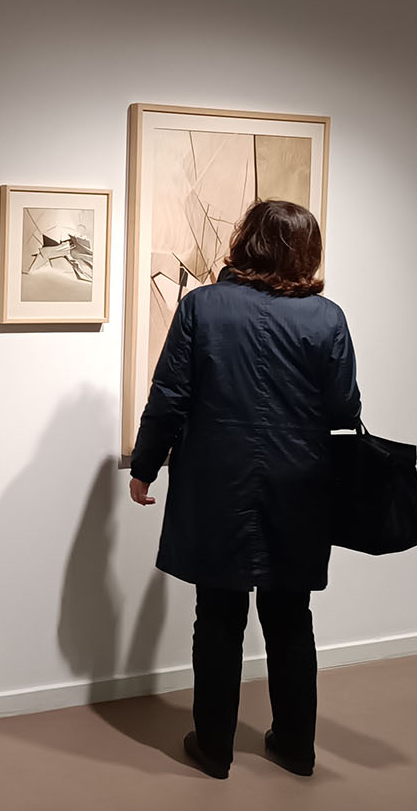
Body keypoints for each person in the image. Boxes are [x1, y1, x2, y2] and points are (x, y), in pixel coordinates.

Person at [128, 199, 361, 780]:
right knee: (291, 616)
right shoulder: (326, 318)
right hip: (299, 483)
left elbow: (169, 397)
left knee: (217, 615)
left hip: (217, 481)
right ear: (306, 251)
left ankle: (213, 748)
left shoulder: (202, 306)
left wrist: (145, 466)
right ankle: (296, 747)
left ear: (246, 240)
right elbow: (344, 409)